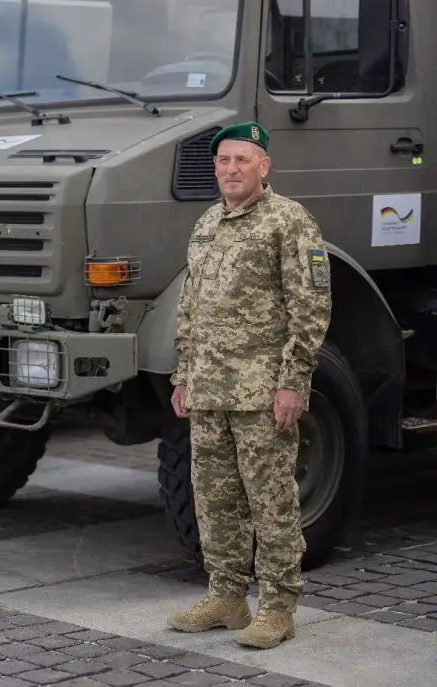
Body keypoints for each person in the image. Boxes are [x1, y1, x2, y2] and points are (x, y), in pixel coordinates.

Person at [166, 120, 332, 650]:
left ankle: (279, 606)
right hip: (210, 389)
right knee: (214, 500)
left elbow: (310, 306)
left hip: (263, 391)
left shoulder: (289, 221)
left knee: (271, 499)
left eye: (243, 160)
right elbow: (190, 306)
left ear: (264, 166)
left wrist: (294, 382)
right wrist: (183, 376)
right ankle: (228, 597)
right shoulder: (207, 223)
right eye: (223, 161)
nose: (232, 169)